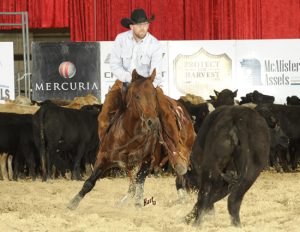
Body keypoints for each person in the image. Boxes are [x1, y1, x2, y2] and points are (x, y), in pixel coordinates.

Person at [98, 8, 188, 175]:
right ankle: (105, 152)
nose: (143, 28)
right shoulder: (120, 40)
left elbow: (157, 70)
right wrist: (129, 79)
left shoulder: (154, 44)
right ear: (131, 26)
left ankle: (175, 153)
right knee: (104, 115)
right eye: (139, 25)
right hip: (124, 81)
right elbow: (114, 65)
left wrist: (144, 84)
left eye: (145, 24)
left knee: (166, 113)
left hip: (147, 85)